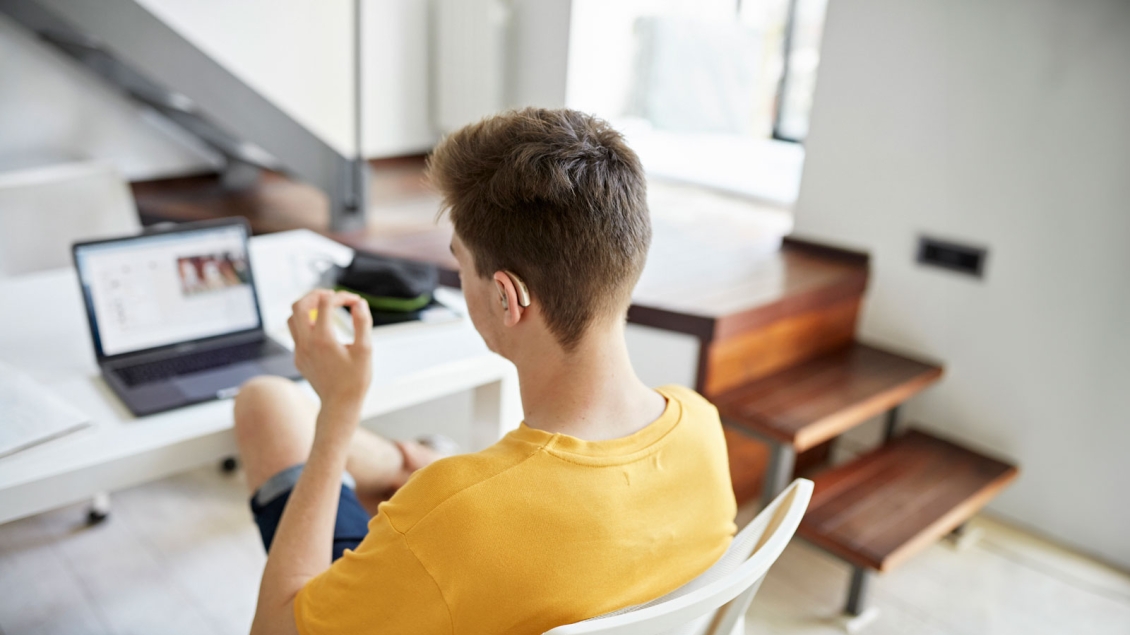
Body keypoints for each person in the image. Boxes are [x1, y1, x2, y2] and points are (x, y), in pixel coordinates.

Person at [234, 108, 736, 635]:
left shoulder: (460, 516)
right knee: (430, 466)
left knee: (267, 402)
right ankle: (412, 461)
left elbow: (273, 629)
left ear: (506, 295)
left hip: (437, 559)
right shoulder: (699, 423)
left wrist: (338, 412)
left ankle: (400, 461)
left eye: (459, 263)